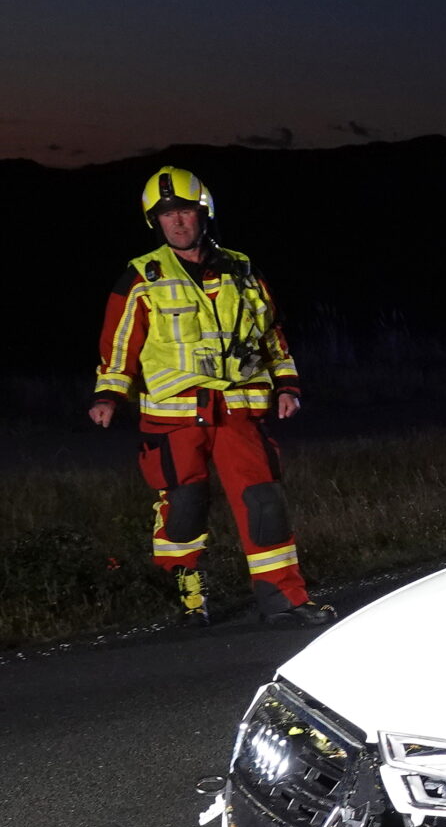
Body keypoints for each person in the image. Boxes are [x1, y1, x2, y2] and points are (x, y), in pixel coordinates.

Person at [88, 166, 335, 628]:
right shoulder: (142, 277)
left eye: (185, 212)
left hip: (240, 412)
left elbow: (272, 335)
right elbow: (119, 345)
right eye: (167, 216)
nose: (178, 223)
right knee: (184, 506)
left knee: (265, 504)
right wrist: (108, 395)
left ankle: (283, 600)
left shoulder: (243, 270)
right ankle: (188, 595)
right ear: (154, 223)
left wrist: (288, 385)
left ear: (204, 214)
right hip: (174, 417)